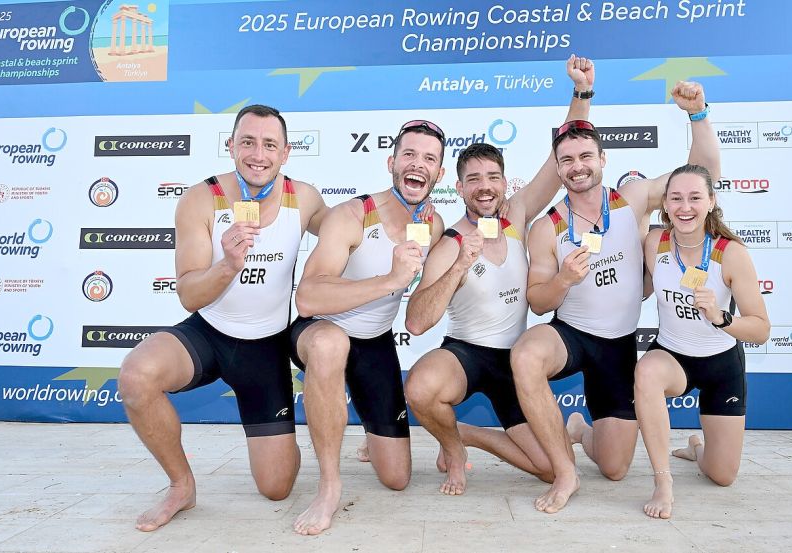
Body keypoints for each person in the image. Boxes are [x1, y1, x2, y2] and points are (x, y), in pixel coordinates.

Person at [117, 105, 329, 531]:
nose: (258, 154)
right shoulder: (201, 198)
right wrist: (228, 265)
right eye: (247, 142)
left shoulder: (303, 197)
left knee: (276, 488)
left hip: (266, 349)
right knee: (136, 376)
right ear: (231, 146)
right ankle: (181, 486)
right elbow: (188, 294)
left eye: (269, 144)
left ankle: (283, 440)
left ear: (286, 152)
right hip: (210, 333)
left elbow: (348, 236)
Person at [510, 83, 720, 514]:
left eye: (586, 156)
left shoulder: (632, 199)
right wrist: (563, 280)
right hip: (572, 335)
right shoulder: (548, 227)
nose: (578, 166)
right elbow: (537, 301)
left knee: (614, 467)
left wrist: (698, 115)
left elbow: (702, 175)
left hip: (618, 346)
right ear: (558, 169)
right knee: (526, 355)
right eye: (567, 160)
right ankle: (565, 472)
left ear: (602, 160)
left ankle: (579, 430)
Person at [403, 55, 595, 496]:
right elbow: (415, 322)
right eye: (473, 179)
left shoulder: (517, 216)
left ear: (506, 183)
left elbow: (559, 156)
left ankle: (469, 434)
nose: (484, 186)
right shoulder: (450, 242)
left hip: (516, 360)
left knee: (551, 469)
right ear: (460, 188)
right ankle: (454, 448)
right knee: (421, 388)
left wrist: (581, 92)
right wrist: (459, 265)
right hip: (466, 354)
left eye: (493, 176)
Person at [289, 119, 447, 535]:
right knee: (330, 344)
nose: (418, 164)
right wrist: (390, 281)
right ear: (391, 162)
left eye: (429, 158)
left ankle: (370, 431)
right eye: (409, 154)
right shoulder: (352, 215)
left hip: (374, 342)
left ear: (439, 173)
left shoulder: (433, 225)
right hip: (320, 329)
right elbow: (307, 297)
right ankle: (328, 486)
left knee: (397, 478)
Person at [635, 163, 770, 519]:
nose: (685, 207)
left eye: (695, 198)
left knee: (722, 476)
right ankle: (663, 481)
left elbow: (761, 329)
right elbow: (636, 289)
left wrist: (721, 317)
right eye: (676, 198)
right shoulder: (655, 243)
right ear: (665, 204)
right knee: (646, 372)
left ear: (711, 201)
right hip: (673, 356)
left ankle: (696, 447)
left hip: (721, 364)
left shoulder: (731, 253)